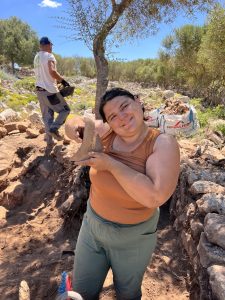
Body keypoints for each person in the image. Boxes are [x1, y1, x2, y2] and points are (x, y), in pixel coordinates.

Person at [65, 87, 180, 300]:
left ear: (138, 101)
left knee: (127, 294)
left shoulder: (161, 143)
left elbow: (155, 196)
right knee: (81, 292)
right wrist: (78, 127)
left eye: (124, 106)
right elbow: (72, 122)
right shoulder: (106, 132)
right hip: (92, 229)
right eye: (113, 116)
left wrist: (110, 164)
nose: (122, 118)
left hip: (134, 238)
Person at [34, 36, 71, 145]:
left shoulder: (37, 57)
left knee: (47, 117)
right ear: (48, 44)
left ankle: (50, 141)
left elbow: (45, 73)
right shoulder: (49, 56)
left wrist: (55, 81)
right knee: (65, 110)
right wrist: (63, 81)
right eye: (51, 45)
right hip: (50, 91)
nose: (52, 47)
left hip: (39, 91)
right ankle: (54, 129)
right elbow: (52, 71)